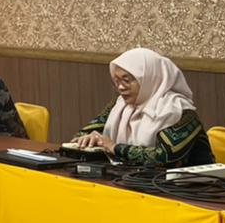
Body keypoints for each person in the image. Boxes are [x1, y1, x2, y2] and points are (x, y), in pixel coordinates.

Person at [71, 48, 214, 166]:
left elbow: (164, 156)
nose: (121, 87)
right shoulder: (120, 105)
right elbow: (81, 135)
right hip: (132, 181)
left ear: (150, 78)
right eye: (117, 81)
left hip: (190, 187)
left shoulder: (178, 111)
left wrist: (114, 147)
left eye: (127, 80)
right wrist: (89, 138)